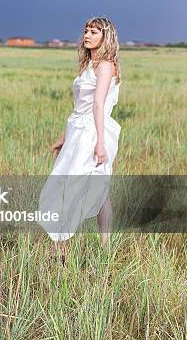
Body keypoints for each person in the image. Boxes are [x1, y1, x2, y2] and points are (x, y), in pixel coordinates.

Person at [38, 16, 122, 261]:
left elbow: (98, 105)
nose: (87, 35)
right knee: (92, 188)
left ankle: (62, 248)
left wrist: (99, 143)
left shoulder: (106, 65)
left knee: (77, 188)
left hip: (94, 132)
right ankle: (79, 246)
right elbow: (80, 107)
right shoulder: (89, 64)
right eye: (86, 30)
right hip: (78, 130)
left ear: (106, 37)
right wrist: (65, 137)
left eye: (94, 32)